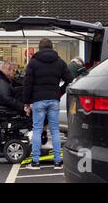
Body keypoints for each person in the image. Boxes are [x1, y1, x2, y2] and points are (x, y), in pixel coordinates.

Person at [23, 38, 73, 170]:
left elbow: (27, 84)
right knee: (55, 130)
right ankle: (57, 162)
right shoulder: (60, 62)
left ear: (40, 48)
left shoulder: (33, 63)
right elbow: (70, 79)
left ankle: (35, 162)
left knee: (37, 130)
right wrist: (59, 92)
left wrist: (26, 102)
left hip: (38, 100)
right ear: (51, 47)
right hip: (54, 99)